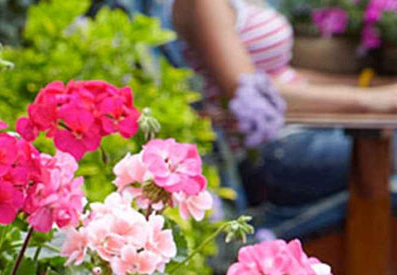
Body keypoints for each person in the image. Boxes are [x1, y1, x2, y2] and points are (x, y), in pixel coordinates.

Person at [170, 0, 397, 207]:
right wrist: (370, 101)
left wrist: (371, 85)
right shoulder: (204, 4)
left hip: (306, 129)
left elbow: (280, 74)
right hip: (275, 150)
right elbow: (249, 96)